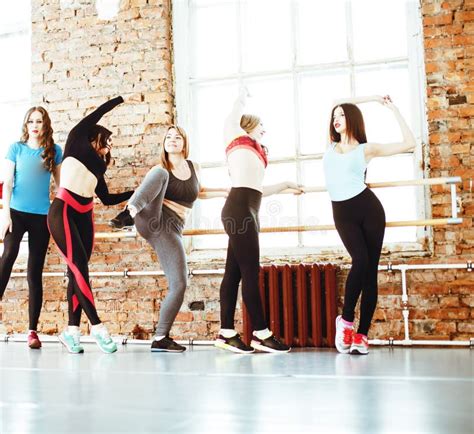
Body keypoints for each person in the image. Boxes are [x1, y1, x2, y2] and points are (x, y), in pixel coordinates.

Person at [110, 125, 227, 352]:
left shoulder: (194, 167)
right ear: (164, 143)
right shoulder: (161, 170)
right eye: (168, 137)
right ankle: (128, 213)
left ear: (185, 142)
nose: (172, 140)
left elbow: (199, 192)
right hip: (153, 219)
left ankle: (160, 337)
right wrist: (134, 211)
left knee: (179, 283)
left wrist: (224, 191)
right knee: (160, 172)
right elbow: (156, 183)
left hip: (173, 228)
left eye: (177, 137)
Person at [323, 95, 416, 355]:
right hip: (343, 212)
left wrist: (392, 107)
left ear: (352, 118)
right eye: (334, 116)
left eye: (341, 115)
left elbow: (409, 143)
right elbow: (336, 101)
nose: (336, 119)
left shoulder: (366, 149)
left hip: (369, 210)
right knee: (360, 261)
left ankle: (362, 335)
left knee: (369, 272)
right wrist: (370, 97)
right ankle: (346, 321)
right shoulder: (330, 147)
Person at [215, 89, 303, 354]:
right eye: (261, 125)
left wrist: (287, 184)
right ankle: (262, 334)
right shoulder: (235, 135)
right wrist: (241, 95)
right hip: (239, 210)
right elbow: (233, 113)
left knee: (234, 273)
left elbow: (258, 188)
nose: (264, 130)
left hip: (248, 209)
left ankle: (226, 332)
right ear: (249, 125)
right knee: (250, 273)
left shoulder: (255, 152)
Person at [47, 96, 134, 354]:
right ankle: (97, 327)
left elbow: (106, 199)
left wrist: (135, 192)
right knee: (79, 268)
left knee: (77, 271)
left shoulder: (99, 167)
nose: (109, 146)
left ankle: (71, 331)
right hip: (62, 211)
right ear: (96, 137)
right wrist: (119, 100)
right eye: (107, 141)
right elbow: (97, 113)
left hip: (85, 216)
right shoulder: (76, 142)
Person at [0, 107, 62, 349]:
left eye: (39, 121)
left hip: (41, 217)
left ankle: (32, 331)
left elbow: (60, 186)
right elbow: (7, 184)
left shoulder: (54, 151)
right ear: (25, 124)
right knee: (7, 258)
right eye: (31, 121)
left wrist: (61, 214)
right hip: (16, 213)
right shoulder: (16, 148)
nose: (35, 125)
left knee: (34, 272)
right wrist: (5, 216)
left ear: (45, 125)